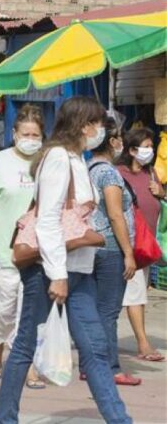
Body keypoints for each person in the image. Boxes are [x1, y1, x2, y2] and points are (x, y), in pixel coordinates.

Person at [0, 96, 130, 424]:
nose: (101, 130)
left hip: (78, 270)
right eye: (98, 123)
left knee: (95, 348)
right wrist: (57, 275)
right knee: (26, 345)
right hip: (50, 271)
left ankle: (120, 419)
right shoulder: (57, 157)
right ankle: (5, 419)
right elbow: (48, 220)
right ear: (84, 125)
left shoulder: (75, 158)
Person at [0, 104, 45, 388]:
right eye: (25, 133)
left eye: (35, 134)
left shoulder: (47, 162)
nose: (30, 138)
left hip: (37, 254)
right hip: (3, 253)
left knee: (30, 311)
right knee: (3, 310)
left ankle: (26, 364)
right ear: (14, 133)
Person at [87, 117, 141, 386]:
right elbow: (116, 214)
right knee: (108, 311)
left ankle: (92, 364)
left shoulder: (90, 168)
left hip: (93, 247)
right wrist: (128, 253)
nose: (122, 142)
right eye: (119, 137)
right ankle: (109, 367)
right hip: (110, 249)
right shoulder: (108, 173)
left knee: (95, 310)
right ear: (111, 142)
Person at [117, 127, 165, 362]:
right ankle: (143, 343)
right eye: (146, 146)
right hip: (122, 244)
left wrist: (161, 192)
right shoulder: (118, 173)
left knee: (135, 294)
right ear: (132, 150)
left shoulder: (152, 174)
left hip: (144, 247)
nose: (150, 150)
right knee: (130, 295)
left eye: (151, 146)